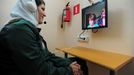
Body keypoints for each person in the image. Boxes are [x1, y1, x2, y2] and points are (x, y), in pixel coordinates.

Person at [0, 0, 88, 75]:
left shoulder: (27, 29)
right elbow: (39, 71)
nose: (45, 14)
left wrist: (68, 64)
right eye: (42, 9)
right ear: (32, 8)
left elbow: (47, 56)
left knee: (78, 61)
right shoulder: (19, 30)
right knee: (80, 65)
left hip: (40, 67)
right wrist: (69, 70)